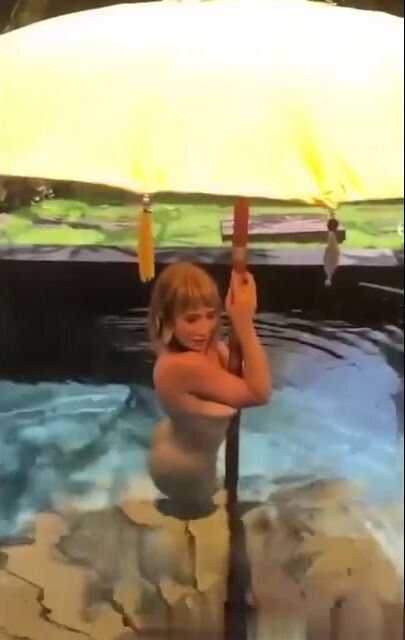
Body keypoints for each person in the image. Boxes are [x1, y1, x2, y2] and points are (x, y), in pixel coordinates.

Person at [147, 261, 271, 518]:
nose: (204, 329)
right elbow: (259, 393)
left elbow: (250, 378)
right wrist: (244, 323)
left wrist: (238, 311)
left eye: (211, 315)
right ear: (168, 319)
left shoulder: (208, 349)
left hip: (183, 447)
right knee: (202, 522)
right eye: (191, 319)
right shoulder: (181, 366)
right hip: (183, 471)